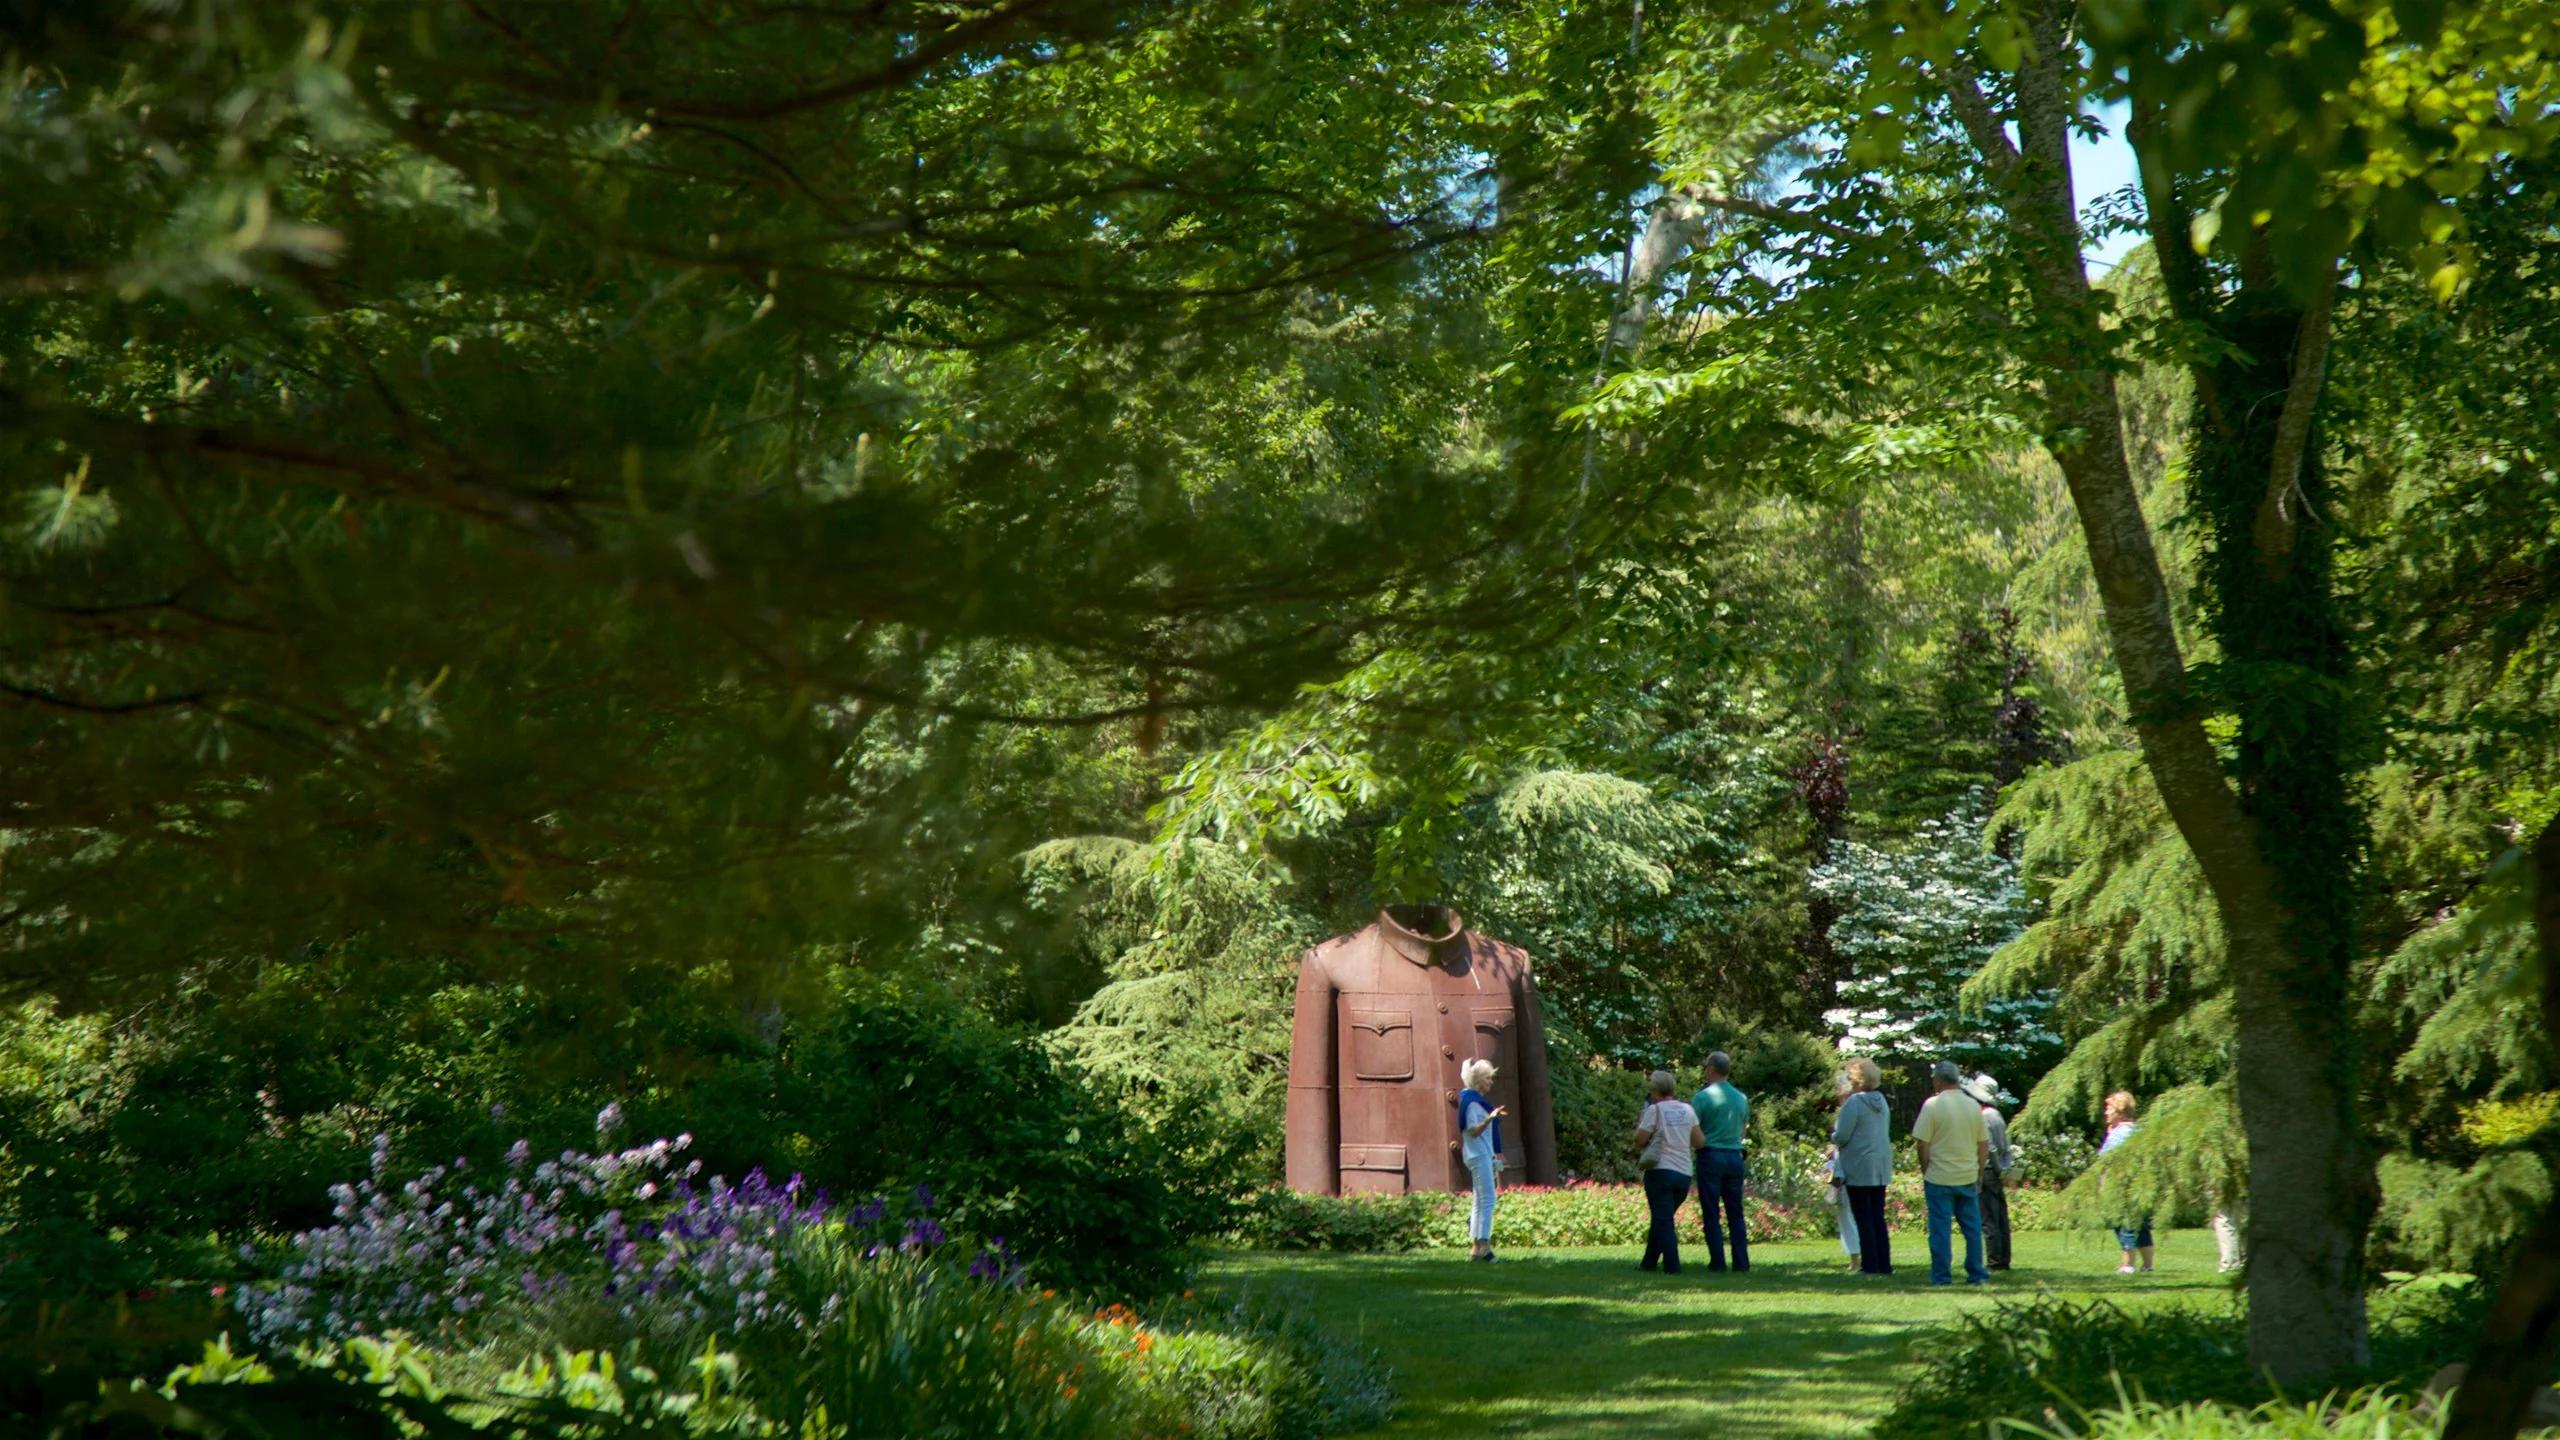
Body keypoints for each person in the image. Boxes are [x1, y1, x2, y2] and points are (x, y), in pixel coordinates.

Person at [1912, 1059, 1991, 1287]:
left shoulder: (1932, 1105)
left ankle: (1941, 1276)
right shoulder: (1972, 1106)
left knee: (1940, 1230)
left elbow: (1922, 1143)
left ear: (1937, 1080)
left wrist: (1925, 1168)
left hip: (1939, 1176)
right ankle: (1976, 1273)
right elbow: (1983, 1143)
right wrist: (1980, 1171)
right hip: (1966, 1174)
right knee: (1973, 1230)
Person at [1633, 1070, 1704, 1274]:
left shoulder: (1655, 1110)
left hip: (1660, 1171)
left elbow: (1639, 1140)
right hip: (1683, 1173)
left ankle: (1673, 1266)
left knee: (1663, 1220)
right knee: (1661, 1218)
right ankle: (1648, 1263)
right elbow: (1699, 1141)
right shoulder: (1688, 1110)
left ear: (1655, 1091)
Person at [1689, 1050, 1751, 1273]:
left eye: (1706, 1067)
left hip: (1711, 1154)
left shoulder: (1702, 1098)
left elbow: (1693, 1130)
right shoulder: (1741, 1098)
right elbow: (1743, 1128)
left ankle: (1717, 1261)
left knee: (1711, 1210)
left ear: (1712, 1070)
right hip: (1735, 1155)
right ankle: (1741, 1262)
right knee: (1736, 1211)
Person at [1831, 1056, 1894, 1275]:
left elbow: (1842, 1135)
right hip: (1880, 1165)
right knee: (1877, 1215)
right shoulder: (1881, 1100)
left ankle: (1869, 1264)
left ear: (1856, 1080)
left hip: (1858, 1164)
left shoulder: (1855, 1102)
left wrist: (1833, 1135)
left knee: (1863, 1215)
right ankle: (1884, 1263)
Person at [1966, 1073, 2019, 1272]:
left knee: (1988, 1219)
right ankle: (2003, 1258)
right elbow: (2004, 1146)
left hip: (1988, 1169)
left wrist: (1996, 1170)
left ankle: (1994, 1261)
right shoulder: (1996, 1115)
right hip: (1998, 1169)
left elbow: (1989, 1147)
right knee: (2000, 1218)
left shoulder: (1983, 1116)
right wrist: (2006, 1171)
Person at [1458, 1059, 1509, 1262]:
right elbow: (1472, 1131)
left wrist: (1495, 1154)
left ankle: (1476, 1248)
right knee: (1488, 1199)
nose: (1490, 1082)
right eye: (1487, 1078)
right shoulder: (1471, 1104)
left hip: (1482, 1154)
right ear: (1478, 1081)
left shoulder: (1475, 1102)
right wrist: (1490, 1117)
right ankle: (1485, 1247)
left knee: (1479, 1201)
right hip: (1477, 1155)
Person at [2100, 1090, 2154, 1274]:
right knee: (2142, 1225)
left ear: (2120, 1112)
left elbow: (2108, 1162)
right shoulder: (2136, 1129)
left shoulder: (2119, 1135)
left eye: (2109, 1109)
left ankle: (2127, 1264)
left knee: (2125, 1225)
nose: (2106, 1113)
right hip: (2139, 1184)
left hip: (2122, 1187)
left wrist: (2104, 1184)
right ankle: (2147, 1265)